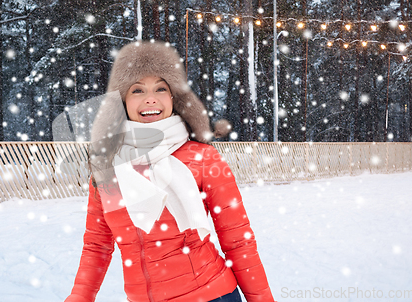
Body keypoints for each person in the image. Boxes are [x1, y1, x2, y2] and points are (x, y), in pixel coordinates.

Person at [65, 41, 275, 302]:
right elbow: (97, 246)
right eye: (137, 89)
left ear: (174, 97)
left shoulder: (202, 158)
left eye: (161, 88)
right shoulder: (108, 167)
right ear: (123, 101)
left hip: (210, 295)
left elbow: (237, 240)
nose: (150, 98)